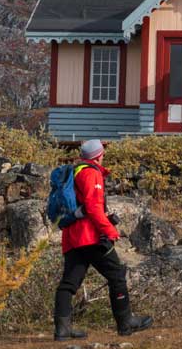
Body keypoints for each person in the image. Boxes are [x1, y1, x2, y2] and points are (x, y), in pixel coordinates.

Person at [53, 139, 152, 340]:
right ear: (99, 155)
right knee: (116, 275)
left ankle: (62, 330)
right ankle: (126, 323)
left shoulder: (75, 171)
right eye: (103, 152)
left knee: (69, 284)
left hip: (72, 235)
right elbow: (93, 207)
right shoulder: (91, 173)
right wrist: (109, 230)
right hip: (91, 236)